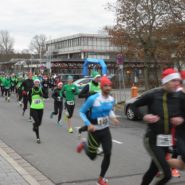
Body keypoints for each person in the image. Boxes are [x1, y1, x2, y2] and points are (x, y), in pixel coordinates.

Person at [131, 68, 184, 185]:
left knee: (153, 170)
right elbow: (134, 105)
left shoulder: (179, 97)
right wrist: (144, 116)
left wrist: (181, 119)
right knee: (166, 174)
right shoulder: (153, 95)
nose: (177, 83)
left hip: (166, 141)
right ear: (165, 81)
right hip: (152, 139)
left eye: (178, 81)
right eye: (174, 81)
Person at [76, 76, 120, 185]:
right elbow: (81, 112)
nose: (108, 88)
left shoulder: (111, 99)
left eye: (109, 85)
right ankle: (83, 143)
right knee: (92, 156)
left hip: (105, 130)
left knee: (108, 153)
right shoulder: (93, 99)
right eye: (105, 85)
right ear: (101, 87)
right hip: (94, 131)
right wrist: (88, 124)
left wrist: (113, 117)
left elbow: (109, 110)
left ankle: (101, 179)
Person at [167, 70, 185, 171]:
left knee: (182, 164)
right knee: (177, 152)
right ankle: (161, 164)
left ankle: (162, 165)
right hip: (179, 133)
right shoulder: (177, 96)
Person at [30, 79, 45, 144]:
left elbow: (45, 96)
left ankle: (34, 125)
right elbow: (28, 98)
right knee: (37, 121)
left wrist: (42, 94)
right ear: (34, 83)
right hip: (33, 108)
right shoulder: (32, 89)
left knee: (39, 123)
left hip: (40, 108)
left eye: (38, 82)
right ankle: (38, 138)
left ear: (39, 83)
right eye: (35, 82)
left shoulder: (41, 89)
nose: (36, 83)